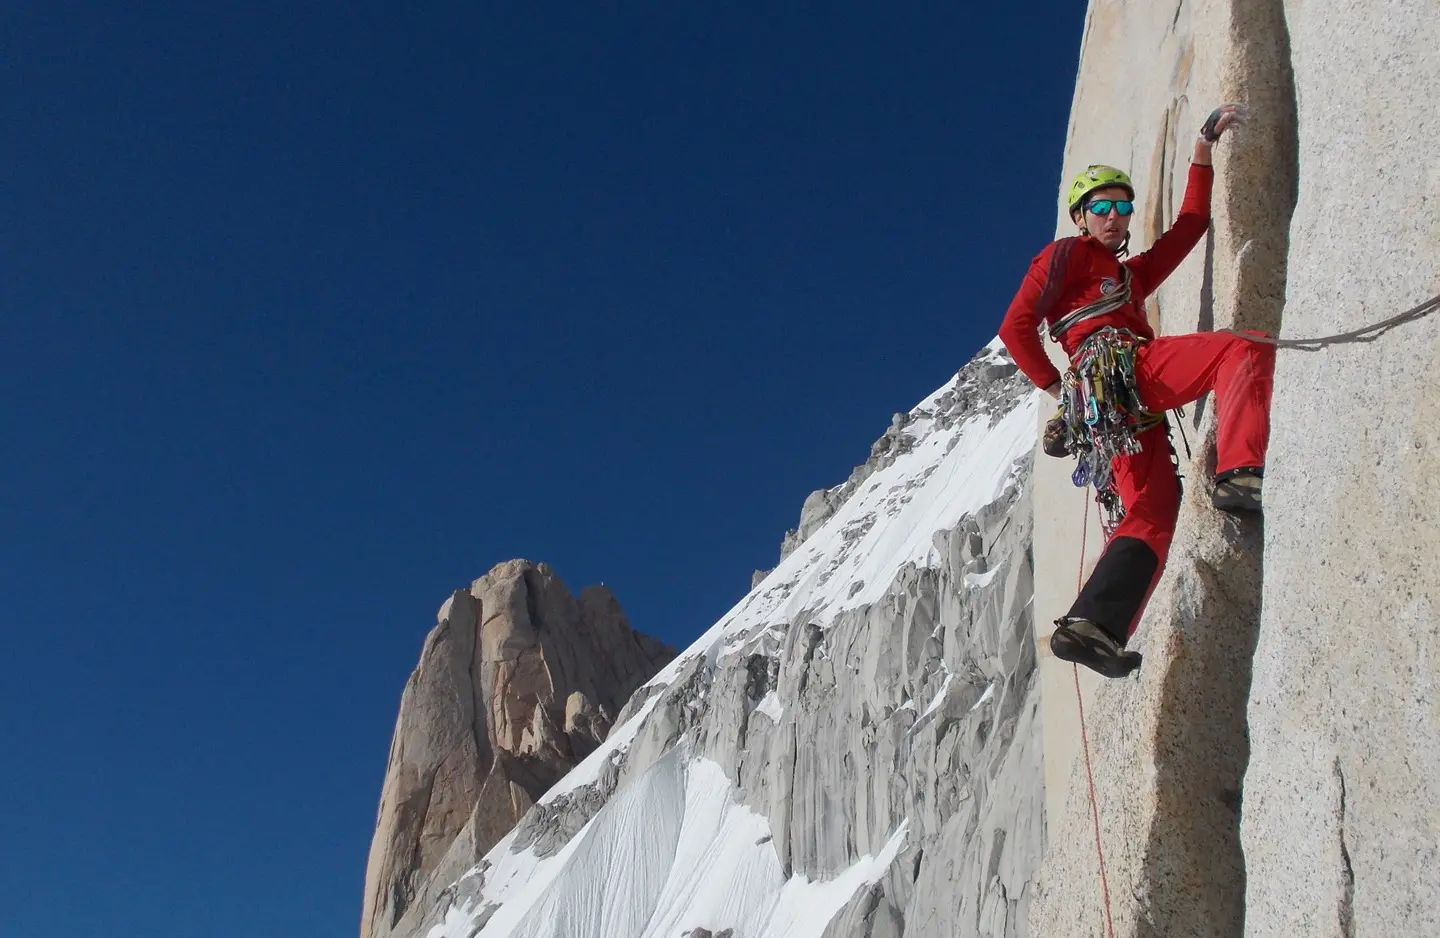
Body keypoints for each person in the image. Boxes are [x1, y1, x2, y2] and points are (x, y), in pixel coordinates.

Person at [996, 103, 1275, 679]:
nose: (1116, 216)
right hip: (1121, 375)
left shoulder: (1131, 276)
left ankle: (1093, 625)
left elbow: (1190, 228)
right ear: (1081, 215)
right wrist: (1058, 388)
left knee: (1152, 510)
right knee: (1239, 347)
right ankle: (1239, 471)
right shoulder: (1069, 255)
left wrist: (1200, 151)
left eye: (1123, 207)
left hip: (1117, 412)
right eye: (1103, 207)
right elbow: (1015, 326)